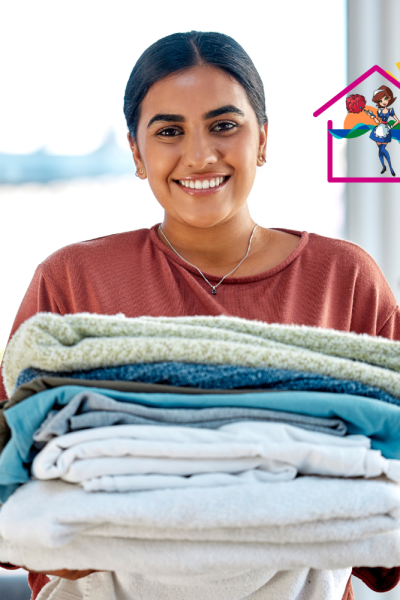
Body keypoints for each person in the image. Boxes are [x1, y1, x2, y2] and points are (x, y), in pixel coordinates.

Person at [1, 30, 400, 600]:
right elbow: (8, 465)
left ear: (263, 139)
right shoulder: (72, 281)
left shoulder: (344, 279)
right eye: (168, 132)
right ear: (137, 152)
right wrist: (46, 534)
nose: (199, 155)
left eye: (224, 125)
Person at [368, 84, 399, 176]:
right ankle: (384, 166)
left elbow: (397, 121)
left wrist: (391, 126)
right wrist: (373, 117)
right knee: (380, 150)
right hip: (379, 129)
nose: (383, 102)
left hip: (386, 130)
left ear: (389, 98)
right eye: (381, 100)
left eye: (385, 99)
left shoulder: (390, 111)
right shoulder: (379, 111)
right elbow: (378, 121)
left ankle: (390, 167)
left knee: (382, 149)